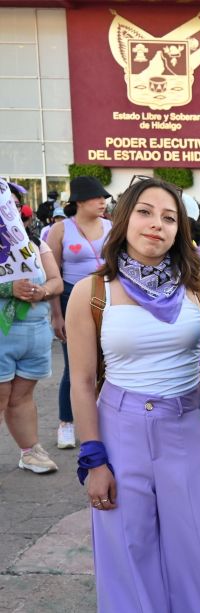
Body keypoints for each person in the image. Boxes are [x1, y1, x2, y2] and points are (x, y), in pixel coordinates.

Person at [65, 176, 200, 613]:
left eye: (169, 217)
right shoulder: (91, 292)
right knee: (128, 548)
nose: (157, 224)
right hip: (119, 427)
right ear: (124, 218)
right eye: (145, 212)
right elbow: (81, 381)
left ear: (180, 229)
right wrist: (93, 457)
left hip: (187, 426)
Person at [1, 179, 63, 474]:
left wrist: (43, 292)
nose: (10, 209)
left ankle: (30, 452)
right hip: (3, 332)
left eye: (13, 204)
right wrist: (6, 290)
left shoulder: (35, 242)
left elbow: (56, 281)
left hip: (34, 333)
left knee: (23, 394)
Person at [45, 176, 113, 450]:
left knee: (108, 362)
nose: (103, 202)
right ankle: (66, 423)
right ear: (80, 201)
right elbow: (54, 274)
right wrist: (56, 314)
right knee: (75, 366)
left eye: (104, 198)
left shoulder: (111, 226)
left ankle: (102, 420)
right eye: (97, 198)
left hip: (107, 296)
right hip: (71, 296)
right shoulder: (60, 230)